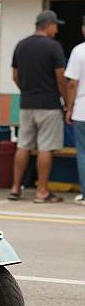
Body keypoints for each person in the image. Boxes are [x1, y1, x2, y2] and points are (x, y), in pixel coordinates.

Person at [9, 10, 67, 203]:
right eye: (56, 25)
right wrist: (66, 102)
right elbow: (61, 79)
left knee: (23, 145)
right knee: (46, 147)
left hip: (26, 105)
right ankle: (42, 191)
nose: (57, 30)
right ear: (48, 25)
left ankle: (15, 188)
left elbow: (15, 76)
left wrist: (26, 91)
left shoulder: (21, 45)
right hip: (49, 105)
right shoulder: (54, 47)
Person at [64, 16, 85, 205]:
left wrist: (68, 108)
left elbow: (72, 84)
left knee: (83, 153)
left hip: (82, 111)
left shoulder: (79, 51)